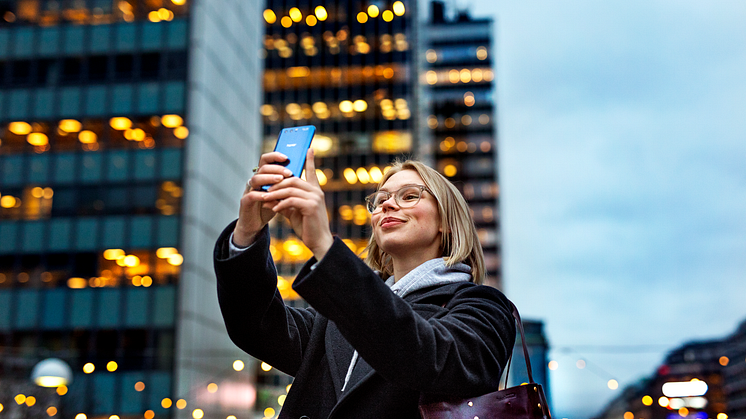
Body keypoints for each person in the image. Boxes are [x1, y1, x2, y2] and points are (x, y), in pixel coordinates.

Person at [214, 148, 516, 419]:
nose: (387, 205)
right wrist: (247, 233)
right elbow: (255, 326)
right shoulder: (337, 318)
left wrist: (324, 245)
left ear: (446, 221)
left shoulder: (483, 307)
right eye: (380, 200)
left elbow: (428, 358)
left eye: (409, 196)